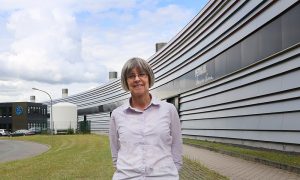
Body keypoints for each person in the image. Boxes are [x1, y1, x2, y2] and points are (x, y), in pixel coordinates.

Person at [109, 57, 183, 179]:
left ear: (149, 78)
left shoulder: (169, 110)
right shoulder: (117, 115)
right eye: (131, 76)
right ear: (126, 82)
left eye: (142, 74)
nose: (137, 79)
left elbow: (177, 148)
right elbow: (115, 152)